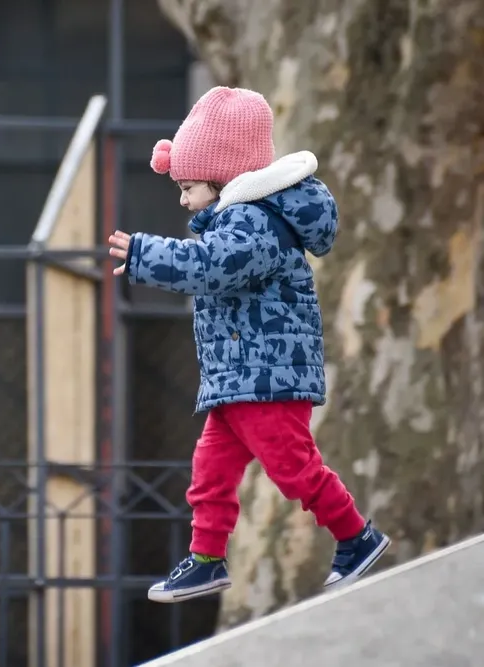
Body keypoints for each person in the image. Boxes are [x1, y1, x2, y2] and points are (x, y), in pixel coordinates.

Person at [108, 86, 389, 604]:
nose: (182, 197)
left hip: (270, 377)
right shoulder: (238, 220)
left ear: (223, 178)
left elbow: (210, 267)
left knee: (293, 468)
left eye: (189, 185)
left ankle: (356, 537)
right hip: (239, 379)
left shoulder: (255, 223)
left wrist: (146, 254)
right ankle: (207, 560)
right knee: (209, 472)